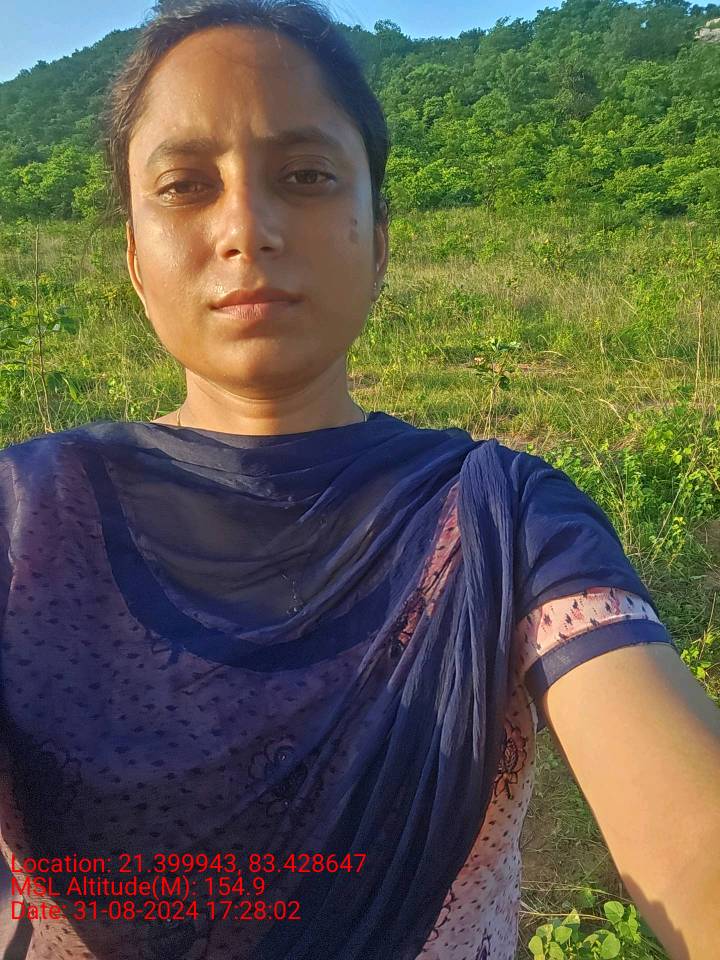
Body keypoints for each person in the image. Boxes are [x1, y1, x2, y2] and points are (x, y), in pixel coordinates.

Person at [0, 2, 677, 958]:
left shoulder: (505, 517)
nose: (247, 228)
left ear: (379, 239)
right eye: (186, 185)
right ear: (136, 261)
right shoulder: (22, 516)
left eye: (306, 176)